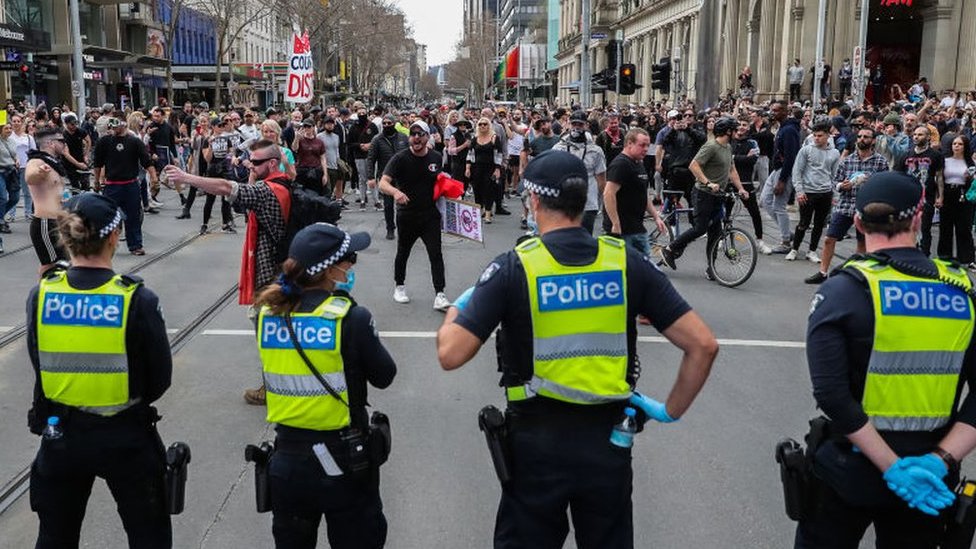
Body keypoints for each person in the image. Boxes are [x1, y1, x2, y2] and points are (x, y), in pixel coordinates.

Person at [436, 149, 718, 549]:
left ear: (533, 202)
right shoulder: (624, 262)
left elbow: (450, 354)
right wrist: (669, 411)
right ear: (584, 198)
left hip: (535, 443)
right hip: (609, 441)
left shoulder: (515, 266)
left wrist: (457, 308)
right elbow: (703, 345)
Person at [794, 171, 976, 548]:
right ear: (919, 216)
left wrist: (892, 467)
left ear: (858, 222)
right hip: (929, 477)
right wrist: (939, 460)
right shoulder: (961, 291)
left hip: (850, 468)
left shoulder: (843, 290)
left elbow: (831, 393)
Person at [26, 193, 173, 548]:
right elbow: (159, 378)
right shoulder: (136, 298)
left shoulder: (42, 294)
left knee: (55, 535)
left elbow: (38, 360)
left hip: (61, 436)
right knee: (148, 534)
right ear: (114, 236)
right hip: (125, 435)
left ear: (65, 237)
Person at [253, 223, 396, 549]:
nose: (351, 264)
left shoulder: (268, 315)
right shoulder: (349, 318)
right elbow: (385, 375)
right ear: (330, 270)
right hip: (344, 460)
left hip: (287, 462)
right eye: (349, 259)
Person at [165, 139, 291, 405]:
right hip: (283, 267)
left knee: (267, 330)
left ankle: (273, 387)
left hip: (269, 271)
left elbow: (226, 187)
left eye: (256, 162)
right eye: (250, 161)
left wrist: (186, 176)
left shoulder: (267, 191)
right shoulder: (285, 183)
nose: (251, 166)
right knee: (278, 327)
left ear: (271, 163)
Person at [661, 118, 750, 278]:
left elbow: (732, 170)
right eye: (734, 129)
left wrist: (741, 189)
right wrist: (708, 183)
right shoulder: (711, 146)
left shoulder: (728, 147)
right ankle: (670, 248)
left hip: (718, 195)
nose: (737, 132)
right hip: (703, 193)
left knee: (715, 233)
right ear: (727, 131)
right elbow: (693, 165)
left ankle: (711, 269)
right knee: (700, 228)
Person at [377, 120, 451, 310]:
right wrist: (396, 193)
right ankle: (399, 286)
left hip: (430, 215)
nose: (416, 138)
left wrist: (447, 186)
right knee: (403, 251)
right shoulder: (400, 158)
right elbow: (383, 183)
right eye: (413, 134)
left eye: (420, 134)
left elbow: (440, 181)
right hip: (407, 215)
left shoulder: (436, 157)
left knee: (436, 253)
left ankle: (440, 294)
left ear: (428, 137)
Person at [805, 127, 888, 284]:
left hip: (867, 207)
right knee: (830, 238)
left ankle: (857, 274)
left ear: (873, 141)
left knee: (862, 242)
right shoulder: (848, 160)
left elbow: (884, 184)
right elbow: (835, 181)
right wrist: (841, 186)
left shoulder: (880, 162)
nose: (862, 139)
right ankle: (823, 272)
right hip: (845, 205)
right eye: (860, 136)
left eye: (866, 137)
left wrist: (870, 184)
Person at [93, 117, 157, 256]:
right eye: (111, 125)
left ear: (124, 124)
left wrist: (154, 178)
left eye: (116, 124)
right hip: (111, 185)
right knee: (109, 217)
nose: (113, 128)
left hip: (130, 185)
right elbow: (97, 163)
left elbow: (146, 161)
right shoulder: (104, 142)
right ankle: (106, 246)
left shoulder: (134, 141)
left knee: (133, 216)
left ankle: (135, 245)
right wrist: (96, 180)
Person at [603, 128, 667, 255]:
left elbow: (643, 195)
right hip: (622, 231)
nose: (646, 149)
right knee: (626, 270)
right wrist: (615, 224)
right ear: (629, 144)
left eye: (648, 145)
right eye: (642, 145)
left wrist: (656, 217)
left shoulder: (638, 163)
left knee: (644, 269)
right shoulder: (621, 164)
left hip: (637, 228)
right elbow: (608, 194)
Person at [785, 121, 841, 264]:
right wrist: (799, 191)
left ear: (828, 136)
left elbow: (835, 175)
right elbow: (797, 171)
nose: (816, 138)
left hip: (825, 192)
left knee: (819, 224)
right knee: (803, 222)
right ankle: (795, 249)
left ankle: (812, 251)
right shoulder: (806, 150)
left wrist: (835, 195)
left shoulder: (835, 153)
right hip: (808, 192)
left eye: (820, 136)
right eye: (815, 135)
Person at [552, 110, 607, 235]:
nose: (576, 127)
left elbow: (602, 181)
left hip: (588, 204)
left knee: (584, 239)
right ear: (569, 124)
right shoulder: (558, 148)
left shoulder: (596, 151)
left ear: (586, 125)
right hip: (564, 202)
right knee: (564, 239)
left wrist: (606, 206)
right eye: (574, 124)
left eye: (580, 124)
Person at [24, 127, 71, 273]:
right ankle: (42, 295)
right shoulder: (36, 161)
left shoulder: (54, 163)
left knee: (65, 264)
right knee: (51, 266)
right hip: (46, 222)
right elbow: (29, 178)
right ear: (51, 143)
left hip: (59, 221)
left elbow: (62, 192)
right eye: (61, 141)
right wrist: (40, 172)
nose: (64, 144)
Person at [895, 125, 944, 258]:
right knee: (906, 228)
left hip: (926, 198)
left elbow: (939, 177)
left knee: (924, 229)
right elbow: (898, 177)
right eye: (915, 134)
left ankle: (924, 257)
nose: (916, 136)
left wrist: (940, 197)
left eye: (920, 134)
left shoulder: (936, 155)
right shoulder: (905, 155)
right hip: (907, 198)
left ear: (928, 137)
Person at [762, 101, 802, 254]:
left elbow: (791, 157)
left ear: (785, 112)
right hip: (777, 169)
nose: (773, 113)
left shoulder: (790, 130)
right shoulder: (782, 128)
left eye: (776, 110)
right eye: (772, 110)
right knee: (765, 200)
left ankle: (785, 242)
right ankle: (786, 231)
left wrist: (782, 180)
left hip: (785, 171)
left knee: (779, 206)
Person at [367, 115, 409, 240]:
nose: (386, 125)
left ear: (394, 123)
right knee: (388, 205)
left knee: (403, 204)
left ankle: (404, 228)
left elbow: (410, 154)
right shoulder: (377, 139)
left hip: (402, 175)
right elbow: (371, 159)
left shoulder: (403, 137)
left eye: (389, 123)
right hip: (386, 177)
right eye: (384, 123)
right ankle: (390, 228)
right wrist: (370, 177)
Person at [938, 135, 974, 267]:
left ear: (965, 147)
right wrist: (939, 196)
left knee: (964, 228)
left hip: (963, 194)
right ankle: (944, 256)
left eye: (960, 144)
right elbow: (939, 179)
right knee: (945, 227)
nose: (956, 146)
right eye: (954, 144)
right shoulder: (945, 161)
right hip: (948, 193)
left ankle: (966, 258)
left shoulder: (970, 162)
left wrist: (969, 178)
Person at [465, 117, 503, 224]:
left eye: (485, 124)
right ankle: (479, 210)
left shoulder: (494, 137)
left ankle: (488, 213)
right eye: (480, 124)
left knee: (489, 189)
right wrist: (467, 168)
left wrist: (497, 169)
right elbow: (470, 154)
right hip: (476, 168)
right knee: (477, 189)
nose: (482, 126)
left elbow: (499, 155)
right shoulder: (474, 138)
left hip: (490, 168)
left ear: (489, 125)